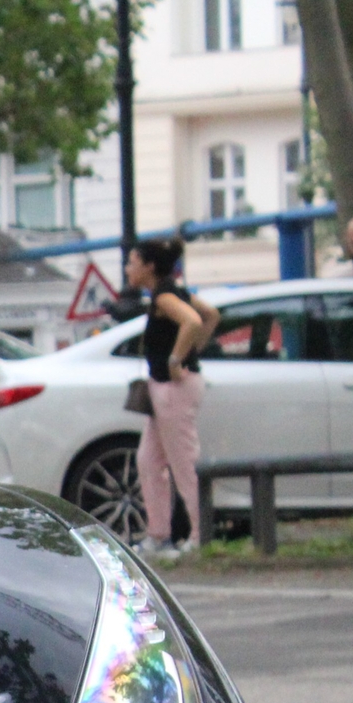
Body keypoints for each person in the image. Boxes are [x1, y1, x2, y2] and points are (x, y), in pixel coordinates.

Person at [127, 237, 219, 561]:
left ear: (149, 266)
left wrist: (177, 358)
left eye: (132, 262)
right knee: (149, 460)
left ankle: (199, 534)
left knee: (183, 461)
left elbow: (193, 320)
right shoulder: (172, 291)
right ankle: (159, 533)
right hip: (166, 390)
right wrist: (193, 349)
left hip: (173, 389)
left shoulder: (165, 297)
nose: (128, 269)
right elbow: (210, 315)